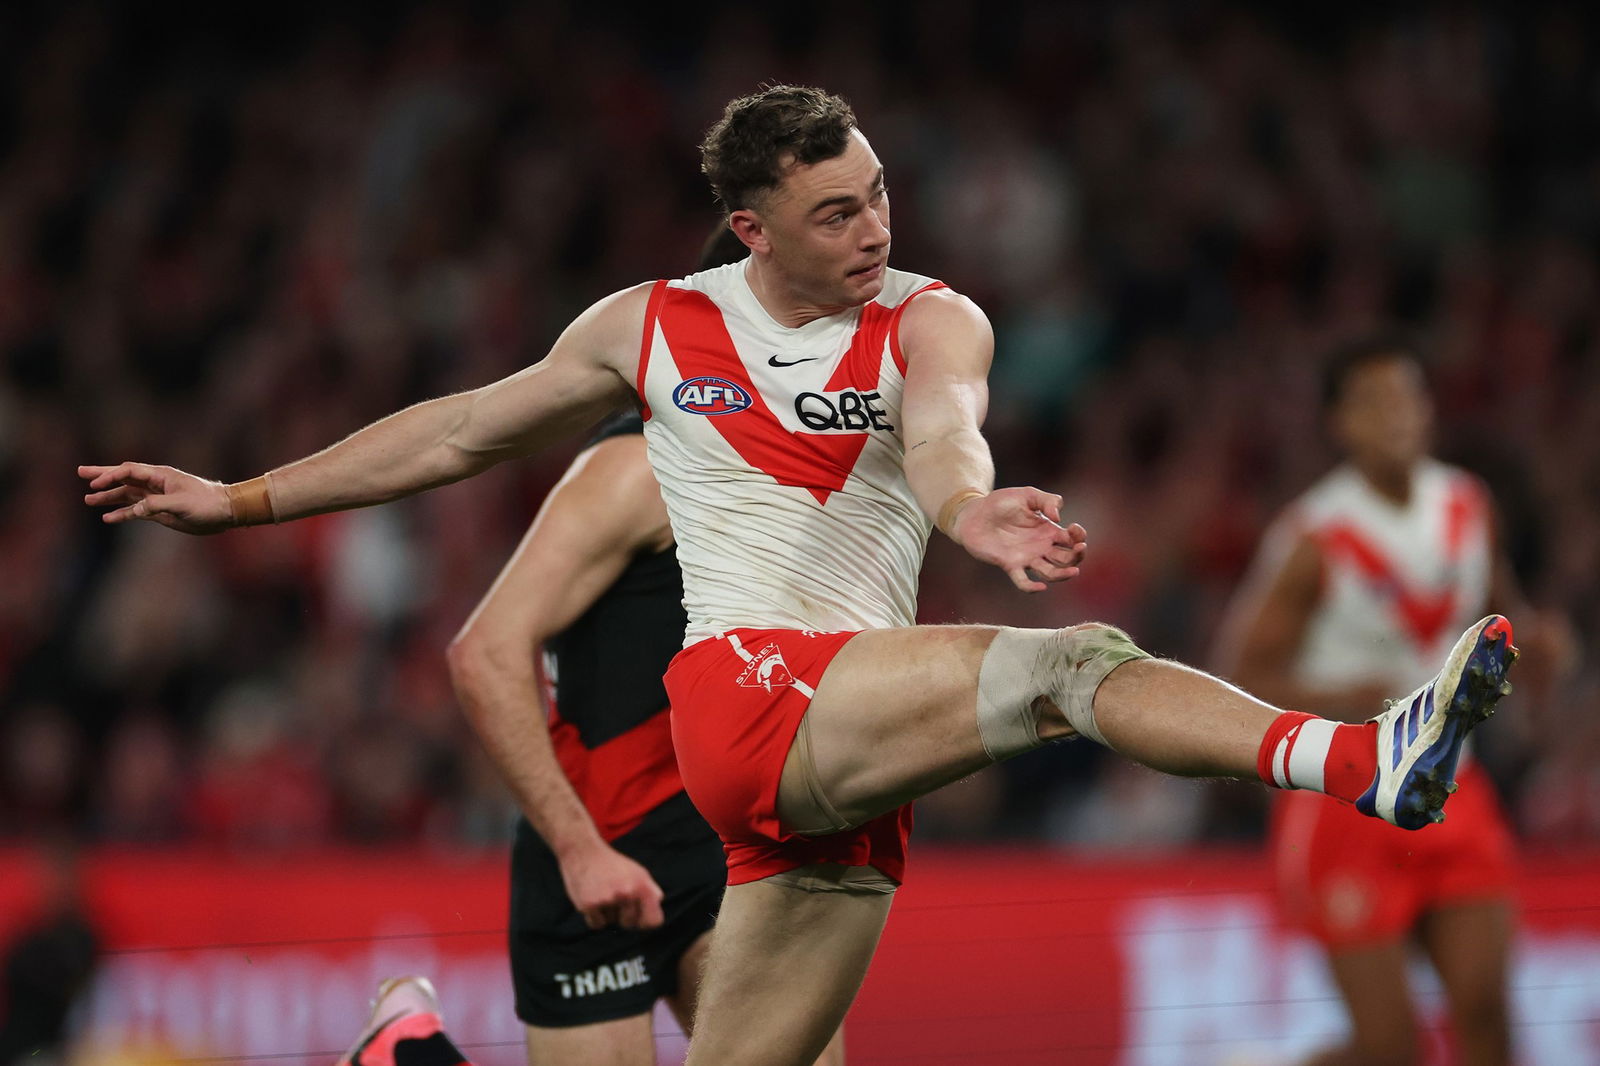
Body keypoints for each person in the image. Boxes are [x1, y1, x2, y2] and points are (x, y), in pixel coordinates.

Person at [80, 86, 1517, 1066]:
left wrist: (977, 515)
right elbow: (459, 429)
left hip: (833, 774)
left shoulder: (928, 317)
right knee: (1073, 666)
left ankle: (410, 1053)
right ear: (754, 228)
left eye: (880, 193)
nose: (875, 230)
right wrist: (243, 499)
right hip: (752, 697)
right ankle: (1363, 757)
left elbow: (949, 436)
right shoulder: (648, 330)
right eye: (836, 212)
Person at [340, 228, 844, 1065]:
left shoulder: (814, 458)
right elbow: (486, 652)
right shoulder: (635, 469)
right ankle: (407, 1053)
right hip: (603, 846)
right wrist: (580, 853)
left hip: (729, 840)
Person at [1215, 337, 1553, 1066]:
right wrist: (1351, 699)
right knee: (1390, 1051)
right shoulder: (1316, 534)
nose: (1395, 415)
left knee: (1489, 1017)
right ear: (1340, 423)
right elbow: (1237, 670)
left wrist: (1544, 643)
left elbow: (1500, 615)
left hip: (1452, 787)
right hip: (1345, 797)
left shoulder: (1467, 504)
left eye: (1407, 396)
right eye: (1374, 402)